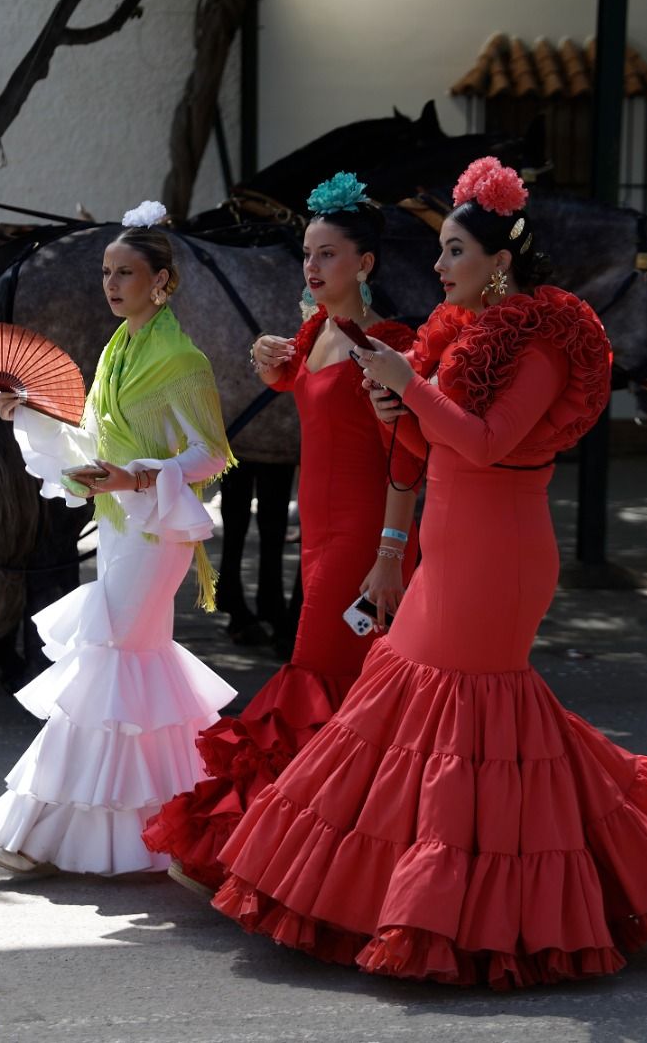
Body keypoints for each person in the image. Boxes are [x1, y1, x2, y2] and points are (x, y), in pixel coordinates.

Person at [212, 158, 647, 989]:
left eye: (454, 251)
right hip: (446, 548)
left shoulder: (537, 335)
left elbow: (489, 440)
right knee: (410, 711)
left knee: (472, 726)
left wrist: (408, 391)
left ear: (498, 260)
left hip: (498, 556)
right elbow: (426, 448)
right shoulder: (455, 332)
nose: (438, 267)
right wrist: (398, 471)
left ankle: (471, 913)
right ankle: (388, 900)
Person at [142, 173, 421, 895]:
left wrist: (391, 555)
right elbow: (297, 381)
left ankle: (267, 851)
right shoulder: (316, 331)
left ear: (364, 265)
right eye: (307, 254)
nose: (312, 267)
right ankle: (332, 856)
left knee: (319, 681)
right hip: (320, 533)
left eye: (328, 255)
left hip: (365, 538)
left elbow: (408, 458)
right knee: (353, 696)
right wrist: (277, 366)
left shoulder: (386, 342)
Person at [0, 201, 239, 876]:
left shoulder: (182, 360)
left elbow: (212, 455)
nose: (111, 284)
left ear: (162, 282)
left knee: (110, 663)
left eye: (126, 273)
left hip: (157, 534)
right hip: (123, 526)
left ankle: (38, 836)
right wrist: (29, 409)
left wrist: (138, 475)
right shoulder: (117, 349)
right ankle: (176, 823)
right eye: (105, 272)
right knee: (127, 676)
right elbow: (94, 442)